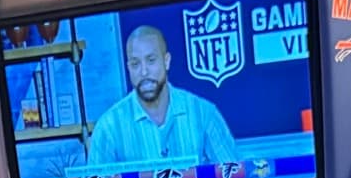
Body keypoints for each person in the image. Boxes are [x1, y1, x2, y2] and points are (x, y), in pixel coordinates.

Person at [86, 25, 240, 168]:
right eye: (135, 64)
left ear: (166, 61)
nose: (144, 72)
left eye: (151, 60)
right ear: (128, 68)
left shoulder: (204, 114)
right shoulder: (108, 128)